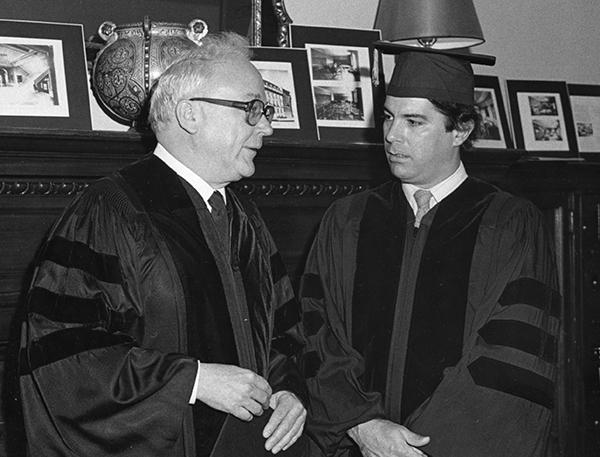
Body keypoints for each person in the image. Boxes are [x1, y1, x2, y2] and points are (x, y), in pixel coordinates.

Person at [18, 32, 307, 457]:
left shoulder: (244, 218)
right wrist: (193, 381)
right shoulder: (109, 211)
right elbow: (64, 359)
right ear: (190, 114)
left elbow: (283, 336)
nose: (266, 126)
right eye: (252, 109)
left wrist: (287, 393)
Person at [299, 43, 561, 457]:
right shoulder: (346, 219)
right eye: (388, 117)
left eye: (413, 121)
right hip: (355, 444)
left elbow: (512, 361)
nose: (391, 135)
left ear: (461, 130)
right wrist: (363, 425)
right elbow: (319, 334)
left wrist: (415, 447)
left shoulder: (511, 224)